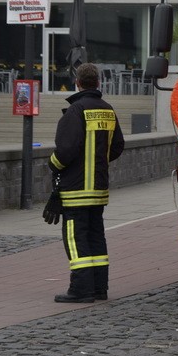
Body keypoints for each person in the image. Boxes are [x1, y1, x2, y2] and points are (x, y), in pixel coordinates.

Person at [47, 63, 125, 303]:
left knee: (75, 237)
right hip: (98, 189)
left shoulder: (76, 111)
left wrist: (53, 164)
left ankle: (81, 289)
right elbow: (117, 147)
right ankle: (99, 288)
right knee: (95, 236)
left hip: (76, 189)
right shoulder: (108, 110)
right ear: (98, 83)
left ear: (77, 83)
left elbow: (66, 150)